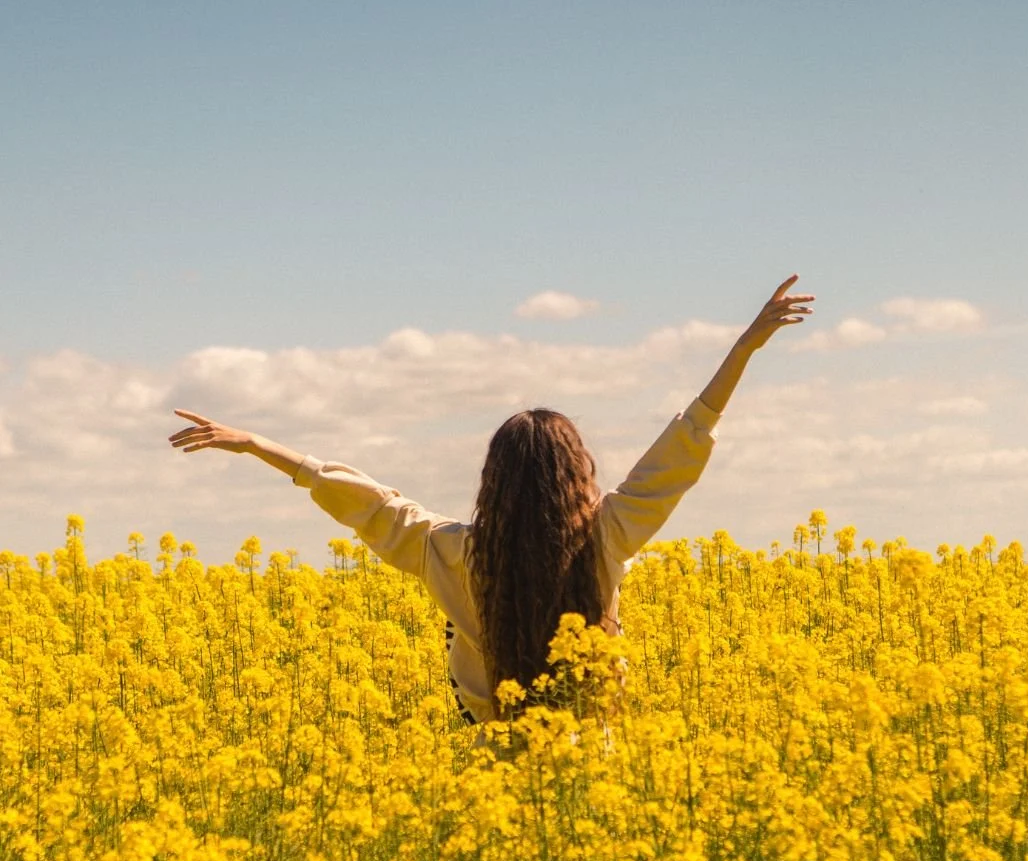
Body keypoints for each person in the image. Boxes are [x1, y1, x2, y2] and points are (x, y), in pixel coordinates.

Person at [169, 275, 814, 738]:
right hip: (592, 761)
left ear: (493, 478)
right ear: (576, 474)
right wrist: (743, 349)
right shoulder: (607, 536)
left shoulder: (450, 551)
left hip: (492, 766)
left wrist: (255, 444)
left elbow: (360, 498)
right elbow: (680, 449)